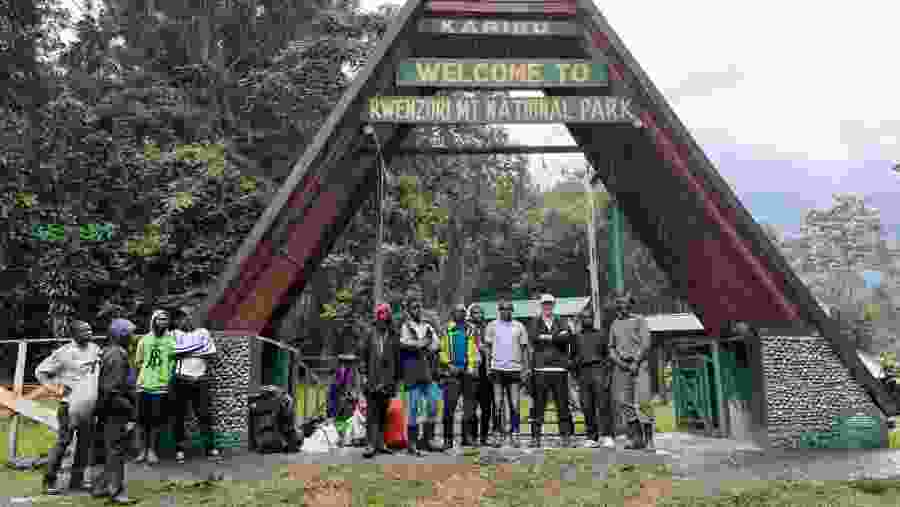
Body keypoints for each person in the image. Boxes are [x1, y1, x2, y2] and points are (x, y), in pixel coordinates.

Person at [37, 320, 102, 495]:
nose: (89, 333)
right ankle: (49, 481)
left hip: (88, 405)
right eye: (84, 331)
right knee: (63, 442)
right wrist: (55, 389)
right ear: (74, 334)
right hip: (69, 405)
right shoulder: (63, 353)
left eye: (90, 330)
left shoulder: (95, 349)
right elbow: (40, 372)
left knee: (85, 443)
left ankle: (77, 481)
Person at [91, 319, 138, 504]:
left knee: (108, 450)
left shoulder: (108, 352)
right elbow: (111, 389)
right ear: (121, 335)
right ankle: (116, 491)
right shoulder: (117, 355)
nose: (133, 337)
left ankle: (101, 486)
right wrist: (131, 411)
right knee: (116, 450)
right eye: (131, 334)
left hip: (107, 408)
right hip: (115, 409)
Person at [171, 308, 220, 463]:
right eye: (184, 317)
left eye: (190, 316)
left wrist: (185, 352)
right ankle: (179, 449)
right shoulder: (174, 334)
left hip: (201, 379)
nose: (187, 320)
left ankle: (210, 447)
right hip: (181, 379)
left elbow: (211, 353)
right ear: (179, 320)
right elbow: (173, 352)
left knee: (204, 414)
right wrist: (199, 350)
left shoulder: (203, 332)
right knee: (179, 416)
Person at [528, 294, 574, 448]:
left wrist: (546, 337)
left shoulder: (562, 321)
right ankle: (535, 437)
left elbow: (566, 338)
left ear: (554, 305)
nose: (547, 306)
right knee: (538, 405)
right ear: (541, 305)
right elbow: (534, 338)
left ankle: (565, 437)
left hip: (559, 368)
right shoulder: (534, 321)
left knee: (562, 404)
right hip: (540, 368)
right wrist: (555, 337)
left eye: (550, 304)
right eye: (544, 304)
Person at [609, 292, 654, 450]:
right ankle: (637, 438)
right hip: (622, 366)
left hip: (639, 365)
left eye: (625, 304)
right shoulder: (614, 324)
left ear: (630, 305)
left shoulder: (639, 320)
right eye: (620, 304)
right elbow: (611, 348)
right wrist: (619, 362)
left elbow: (645, 343)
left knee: (644, 401)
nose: (622, 307)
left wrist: (636, 361)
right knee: (624, 403)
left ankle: (649, 439)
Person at [483, 299, 529, 448]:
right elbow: (488, 348)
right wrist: (488, 367)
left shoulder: (519, 326)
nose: (506, 311)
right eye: (503, 309)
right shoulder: (492, 325)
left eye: (509, 309)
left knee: (515, 403)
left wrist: (525, 368)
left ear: (512, 311)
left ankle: (515, 434)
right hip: (497, 368)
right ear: (499, 310)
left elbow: (524, 349)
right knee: (497, 403)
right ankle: (497, 434)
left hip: (514, 369)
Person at [398, 295, 440, 456]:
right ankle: (412, 443)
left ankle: (428, 439)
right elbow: (403, 343)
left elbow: (436, 344)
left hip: (427, 371)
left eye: (419, 307)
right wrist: (420, 344)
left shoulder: (427, 326)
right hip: (412, 372)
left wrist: (423, 344)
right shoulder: (404, 326)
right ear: (409, 310)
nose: (417, 310)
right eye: (414, 307)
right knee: (413, 408)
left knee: (433, 404)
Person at [134, 310, 176, 464]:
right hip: (143, 386)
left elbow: (173, 363)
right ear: (153, 321)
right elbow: (138, 362)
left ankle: (152, 450)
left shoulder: (171, 341)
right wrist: (144, 377)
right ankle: (142, 451)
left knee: (155, 421)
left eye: (165, 319)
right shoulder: (144, 340)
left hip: (161, 386)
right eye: (159, 319)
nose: (162, 322)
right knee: (141, 420)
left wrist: (167, 379)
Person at [571, 307, 616, 449]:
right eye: (584, 317)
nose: (587, 320)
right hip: (583, 373)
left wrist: (607, 375)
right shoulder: (576, 337)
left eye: (589, 317)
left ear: (593, 319)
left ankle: (607, 435)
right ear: (581, 320)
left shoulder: (600, 334)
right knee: (586, 406)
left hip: (598, 370)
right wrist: (575, 376)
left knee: (603, 405)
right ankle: (591, 437)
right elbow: (572, 358)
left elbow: (608, 356)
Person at [361, 303, 401, 458]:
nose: (383, 318)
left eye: (386, 315)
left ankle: (381, 443)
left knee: (384, 413)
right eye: (380, 315)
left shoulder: (393, 334)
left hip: (388, 380)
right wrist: (364, 376)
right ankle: (370, 445)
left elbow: (397, 358)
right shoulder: (369, 333)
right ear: (376, 317)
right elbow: (363, 356)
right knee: (372, 413)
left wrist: (397, 380)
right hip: (372, 378)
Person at [439, 304, 479, 449]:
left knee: (469, 408)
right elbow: (441, 350)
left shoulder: (471, 329)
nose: (461, 314)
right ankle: (447, 439)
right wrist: (448, 365)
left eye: (463, 311)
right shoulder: (446, 329)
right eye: (458, 311)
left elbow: (475, 350)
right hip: (451, 372)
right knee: (449, 407)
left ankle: (466, 437)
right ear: (453, 313)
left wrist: (472, 366)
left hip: (468, 372)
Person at [329, 321, 362, 448]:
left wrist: (354, 392)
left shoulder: (353, 334)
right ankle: (342, 436)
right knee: (340, 411)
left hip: (349, 366)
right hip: (344, 367)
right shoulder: (343, 333)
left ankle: (345, 436)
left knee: (347, 410)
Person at [467, 303, 494, 446]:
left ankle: (484, 436)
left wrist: (485, 348)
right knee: (471, 407)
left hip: (486, 371)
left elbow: (491, 346)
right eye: (475, 313)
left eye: (480, 313)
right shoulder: (466, 328)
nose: (479, 315)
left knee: (486, 407)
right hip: (471, 371)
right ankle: (471, 436)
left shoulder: (488, 328)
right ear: (471, 315)